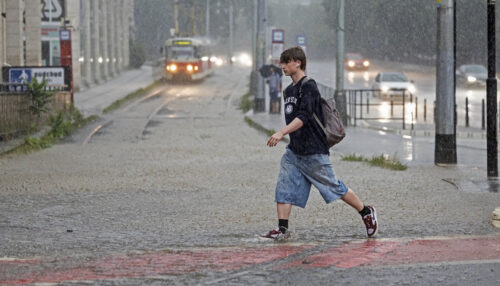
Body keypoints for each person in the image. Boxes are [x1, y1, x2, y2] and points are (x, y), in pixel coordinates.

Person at [260, 47, 378, 240]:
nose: (282, 66)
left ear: (298, 62)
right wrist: (288, 137)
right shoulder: (289, 90)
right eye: (281, 62)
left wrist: (281, 132)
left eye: (286, 62)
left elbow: (304, 116)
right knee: (283, 187)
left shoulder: (309, 87)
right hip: (294, 152)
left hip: (314, 150)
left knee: (334, 186)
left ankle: (366, 212)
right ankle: (282, 230)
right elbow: (292, 117)